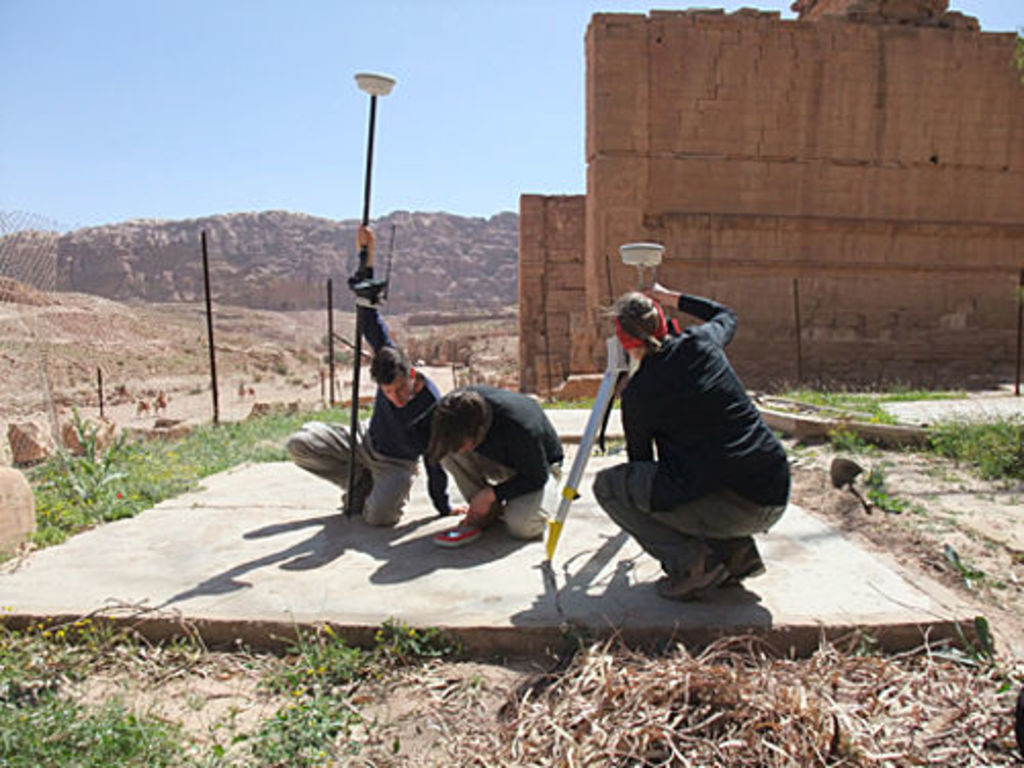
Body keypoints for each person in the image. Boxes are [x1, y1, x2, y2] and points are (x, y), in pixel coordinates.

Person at [592, 285, 790, 601]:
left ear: (624, 341)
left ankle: (693, 565)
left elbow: (641, 468)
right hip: (774, 491)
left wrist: (630, 393)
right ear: (662, 322)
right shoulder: (701, 342)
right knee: (707, 471)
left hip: (734, 505)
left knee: (613, 487)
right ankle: (737, 555)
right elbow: (726, 314)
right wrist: (671, 297)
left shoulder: (639, 393)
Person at [286, 226, 451, 524]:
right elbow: (368, 317)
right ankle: (357, 480)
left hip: (396, 464)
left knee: (379, 518)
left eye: (400, 391)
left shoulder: (432, 403)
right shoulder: (388, 356)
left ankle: (367, 487)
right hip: (364, 440)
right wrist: (367, 255)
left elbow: (434, 461)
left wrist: (444, 509)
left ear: (412, 374)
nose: (396, 399)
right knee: (299, 444)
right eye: (387, 394)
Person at [427, 386, 563, 540]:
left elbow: (536, 476)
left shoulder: (519, 425)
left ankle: (536, 504)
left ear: (478, 431)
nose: (460, 451)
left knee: (522, 526)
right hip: (499, 461)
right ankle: (487, 512)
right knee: (447, 451)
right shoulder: (452, 408)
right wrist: (442, 503)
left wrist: (492, 494)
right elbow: (417, 435)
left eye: (463, 445)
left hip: (540, 468)